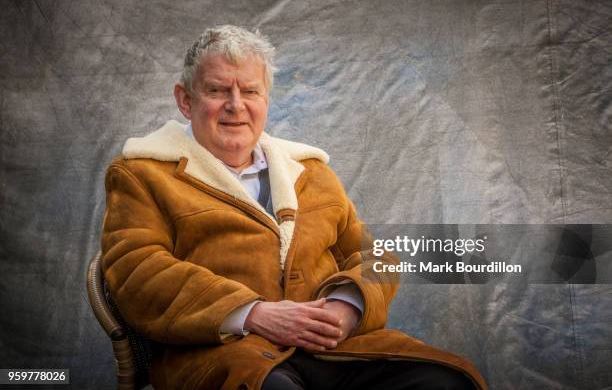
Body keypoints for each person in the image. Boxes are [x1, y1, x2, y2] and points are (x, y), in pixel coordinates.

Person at [101, 25, 486, 390]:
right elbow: (137, 271)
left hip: (333, 350)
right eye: (218, 90)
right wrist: (252, 313)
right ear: (186, 100)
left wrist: (345, 307)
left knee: (450, 382)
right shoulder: (141, 174)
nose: (236, 106)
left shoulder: (311, 172)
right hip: (224, 355)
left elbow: (374, 256)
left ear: (266, 99)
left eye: (250, 91)